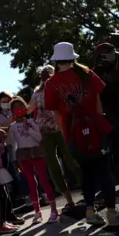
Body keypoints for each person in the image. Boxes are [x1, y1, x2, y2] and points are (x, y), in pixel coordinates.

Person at [45, 42, 117, 226]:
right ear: (72, 57)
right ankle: (111, 213)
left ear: (56, 60)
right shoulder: (87, 74)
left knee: (86, 174)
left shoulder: (51, 83)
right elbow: (98, 102)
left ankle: (90, 211)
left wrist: (68, 136)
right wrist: (99, 124)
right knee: (105, 171)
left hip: (74, 135)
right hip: (97, 129)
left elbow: (57, 115)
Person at [28, 65, 81, 213]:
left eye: (49, 73)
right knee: (53, 166)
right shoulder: (37, 92)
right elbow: (29, 108)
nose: (47, 76)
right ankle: (70, 201)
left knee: (71, 159)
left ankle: (88, 193)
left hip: (61, 129)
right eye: (44, 74)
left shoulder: (60, 85)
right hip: (45, 132)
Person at [7, 98, 59, 224]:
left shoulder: (31, 121)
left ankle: (54, 211)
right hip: (23, 155)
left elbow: (39, 137)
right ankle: (37, 211)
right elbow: (11, 144)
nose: (18, 110)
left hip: (36, 152)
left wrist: (28, 128)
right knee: (31, 183)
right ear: (12, 112)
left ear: (25, 108)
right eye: (15, 108)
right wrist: (14, 160)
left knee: (44, 180)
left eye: (20, 107)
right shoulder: (12, 127)